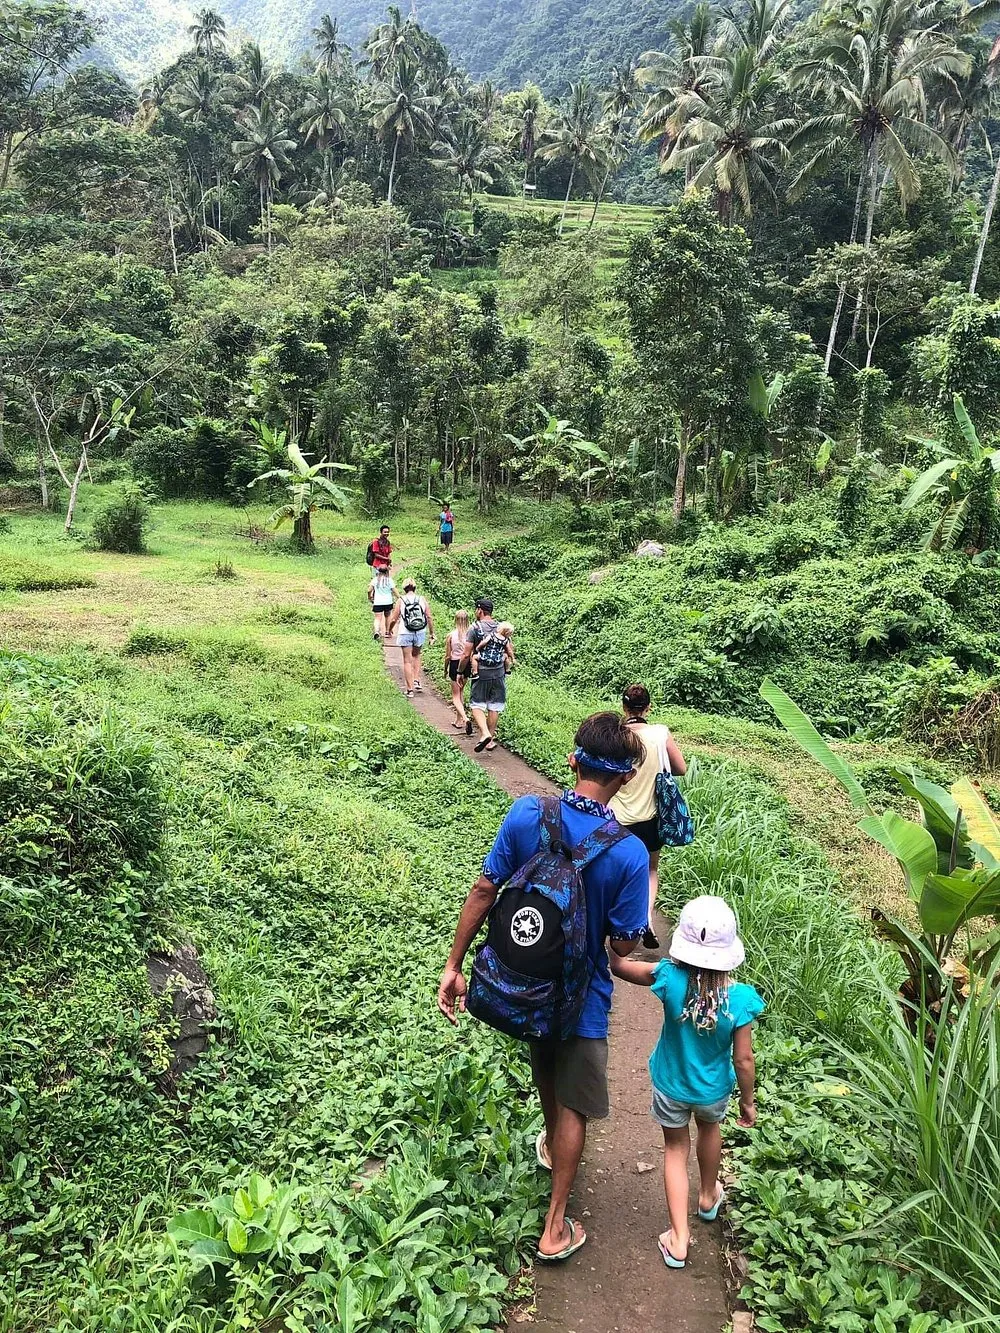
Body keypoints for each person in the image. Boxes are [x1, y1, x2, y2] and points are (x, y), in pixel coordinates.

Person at [437, 712, 650, 1262]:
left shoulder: (529, 812)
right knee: (577, 1101)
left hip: (525, 983)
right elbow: (623, 947)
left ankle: (556, 1151)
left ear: (573, 760)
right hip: (580, 996)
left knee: (546, 1073)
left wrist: (454, 965)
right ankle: (555, 1226)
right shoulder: (628, 854)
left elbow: (485, 890)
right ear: (624, 779)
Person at [610, 896, 764, 1270]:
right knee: (710, 1131)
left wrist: (613, 949)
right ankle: (708, 1196)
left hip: (671, 1086)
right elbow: (743, 1059)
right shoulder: (740, 1000)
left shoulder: (668, 977)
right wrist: (747, 1101)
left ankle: (678, 1239)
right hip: (713, 1091)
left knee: (675, 1149)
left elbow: (622, 968)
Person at [610, 684, 687, 951]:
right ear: (648, 707)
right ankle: (646, 918)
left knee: (615, 870)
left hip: (616, 817)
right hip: (649, 818)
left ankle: (614, 921)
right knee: (650, 869)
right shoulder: (660, 733)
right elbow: (681, 767)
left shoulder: (616, 735)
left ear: (624, 707)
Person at [460, 598, 508, 754]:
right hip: (499, 672)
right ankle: (490, 740)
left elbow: (466, 654)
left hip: (482, 672)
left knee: (476, 704)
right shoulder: (501, 628)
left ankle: (485, 733)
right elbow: (508, 649)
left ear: (480, 610)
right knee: (495, 705)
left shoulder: (474, 628)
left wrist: (460, 671)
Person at [390, 577, 434, 698]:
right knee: (416, 655)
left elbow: (394, 618)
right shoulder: (422, 599)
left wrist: (389, 629)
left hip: (405, 632)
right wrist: (431, 633)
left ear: (404, 588)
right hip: (420, 631)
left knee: (407, 661)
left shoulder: (401, 600)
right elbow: (429, 617)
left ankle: (409, 690)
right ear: (415, 587)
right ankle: (416, 680)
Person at [444, 610, 472, 732]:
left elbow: (448, 656)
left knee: (455, 696)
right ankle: (458, 720)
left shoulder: (451, 635)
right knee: (461, 691)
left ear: (455, 620)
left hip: (455, 664)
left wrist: (445, 669)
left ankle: (465, 719)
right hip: (466, 664)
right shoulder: (471, 635)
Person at [367, 567, 396, 641]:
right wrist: (400, 597)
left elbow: (369, 590)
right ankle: (387, 632)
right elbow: (394, 590)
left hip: (378, 602)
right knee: (388, 616)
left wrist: (370, 597)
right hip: (388, 602)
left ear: (378, 571)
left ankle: (377, 631)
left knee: (377, 618)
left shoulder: (375, 580)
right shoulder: (389, 580)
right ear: (387, 572)